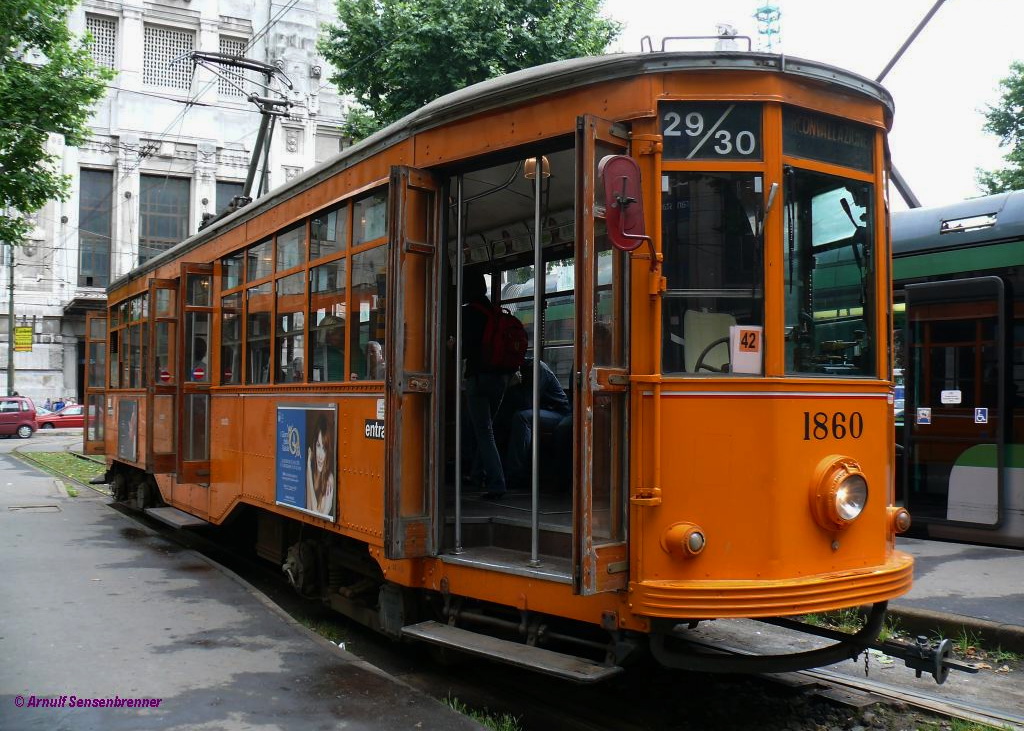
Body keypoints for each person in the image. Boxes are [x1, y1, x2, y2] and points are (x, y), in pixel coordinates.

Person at [462, 270, 511, 499]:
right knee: (486, 427)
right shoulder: (494, 310)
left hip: (478, 377)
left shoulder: (469, 313)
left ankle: (497, 483)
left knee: (483, 431)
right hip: (501, 379)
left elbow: (466, 348)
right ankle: (476, 473)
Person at [503, 358, 571, 489]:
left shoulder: (538, 369)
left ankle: (515, 474)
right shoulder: (522, 370)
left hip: (558, 412)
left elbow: (529, 402)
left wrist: (513, 386)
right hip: (543, 410)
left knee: (521, 418)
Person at [306, 411, 336, 518]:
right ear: (314, 445)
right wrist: (309, 469)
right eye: (318, 445)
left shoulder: (329, 480)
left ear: (328, 451)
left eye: (324, 448)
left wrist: (308, 469)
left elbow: (314, 513)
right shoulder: (313, 471)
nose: (320, 456)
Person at [314, 315, 345, 382]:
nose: (344, 339)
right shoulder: (336, 356)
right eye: (342, 335)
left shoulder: (314, 353)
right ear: (328, 335)